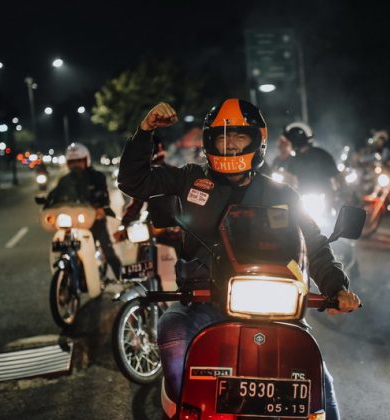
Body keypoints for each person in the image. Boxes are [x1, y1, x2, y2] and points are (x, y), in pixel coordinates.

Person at [118, 99, 361, 419]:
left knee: (318, 383)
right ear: (209, 142)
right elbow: (132, 181)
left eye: (239, 136)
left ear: (257, 140)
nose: (230, 144)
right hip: (203, 302)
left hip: (273, 306)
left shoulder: (282, 193)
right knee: (172, 332)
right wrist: (144, 132)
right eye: (222, 137)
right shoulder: (190, 179)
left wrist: (336, 287)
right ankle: (184, 409)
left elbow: (314, 244)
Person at [48, 142, 122, 279]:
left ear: (86, 160)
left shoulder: (97, 177)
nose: (75, 164)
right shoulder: (64, 180)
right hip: (72, 222)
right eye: (72, 162)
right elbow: (55, 196)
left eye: (79, 161)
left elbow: (104, 197)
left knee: (108, 250)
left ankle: (122, 278)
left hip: (94, 219)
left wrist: (100, 208)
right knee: (62, 244)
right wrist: (47, 204)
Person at [282, 121, 343, 196]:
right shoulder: (293, 160)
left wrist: (338, 192)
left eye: (290, 141)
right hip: (302, 197)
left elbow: (336, 176)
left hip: (325, 196)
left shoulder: (322, 155)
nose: (288, 144)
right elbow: (288, 180)